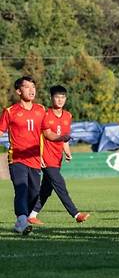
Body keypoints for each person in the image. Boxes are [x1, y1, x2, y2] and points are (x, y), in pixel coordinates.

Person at [0, 76, 69, 235]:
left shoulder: (40, 109)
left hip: (35, 159)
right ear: (19, 91)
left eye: (33, 87)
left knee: (34, 193)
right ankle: (22, 221)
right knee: (21, 189)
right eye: (27, 87)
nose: (32, 90)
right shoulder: (10, 112)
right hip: (17, 158)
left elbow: (47, 133)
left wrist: (60, 137)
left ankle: (23, 219)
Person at [28, 85, 90, 225]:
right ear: (51, 98)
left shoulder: (68, 116)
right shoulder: (45, 114)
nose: (60, 100)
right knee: (60, 184)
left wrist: (67, 152)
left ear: (66, 99)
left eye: (63, 97)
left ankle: (31, 215)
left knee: (46, 189)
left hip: (57, 159)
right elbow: (45, 135)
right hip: (46, 158)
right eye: (57, 97)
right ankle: (76, 214)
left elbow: (64, 138)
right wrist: (39, 155)